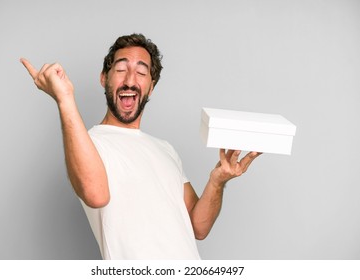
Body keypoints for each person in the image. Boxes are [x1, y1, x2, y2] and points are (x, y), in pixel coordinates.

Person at [21, 33, 261, 259]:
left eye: (141, 72)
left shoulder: (165, 149)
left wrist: (217, 181)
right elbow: (95, 194)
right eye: (121, 69)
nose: (129, 80)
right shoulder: (89, 143)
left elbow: (199, 227)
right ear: (104, 78)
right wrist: (65, 99)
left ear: (151, 86)